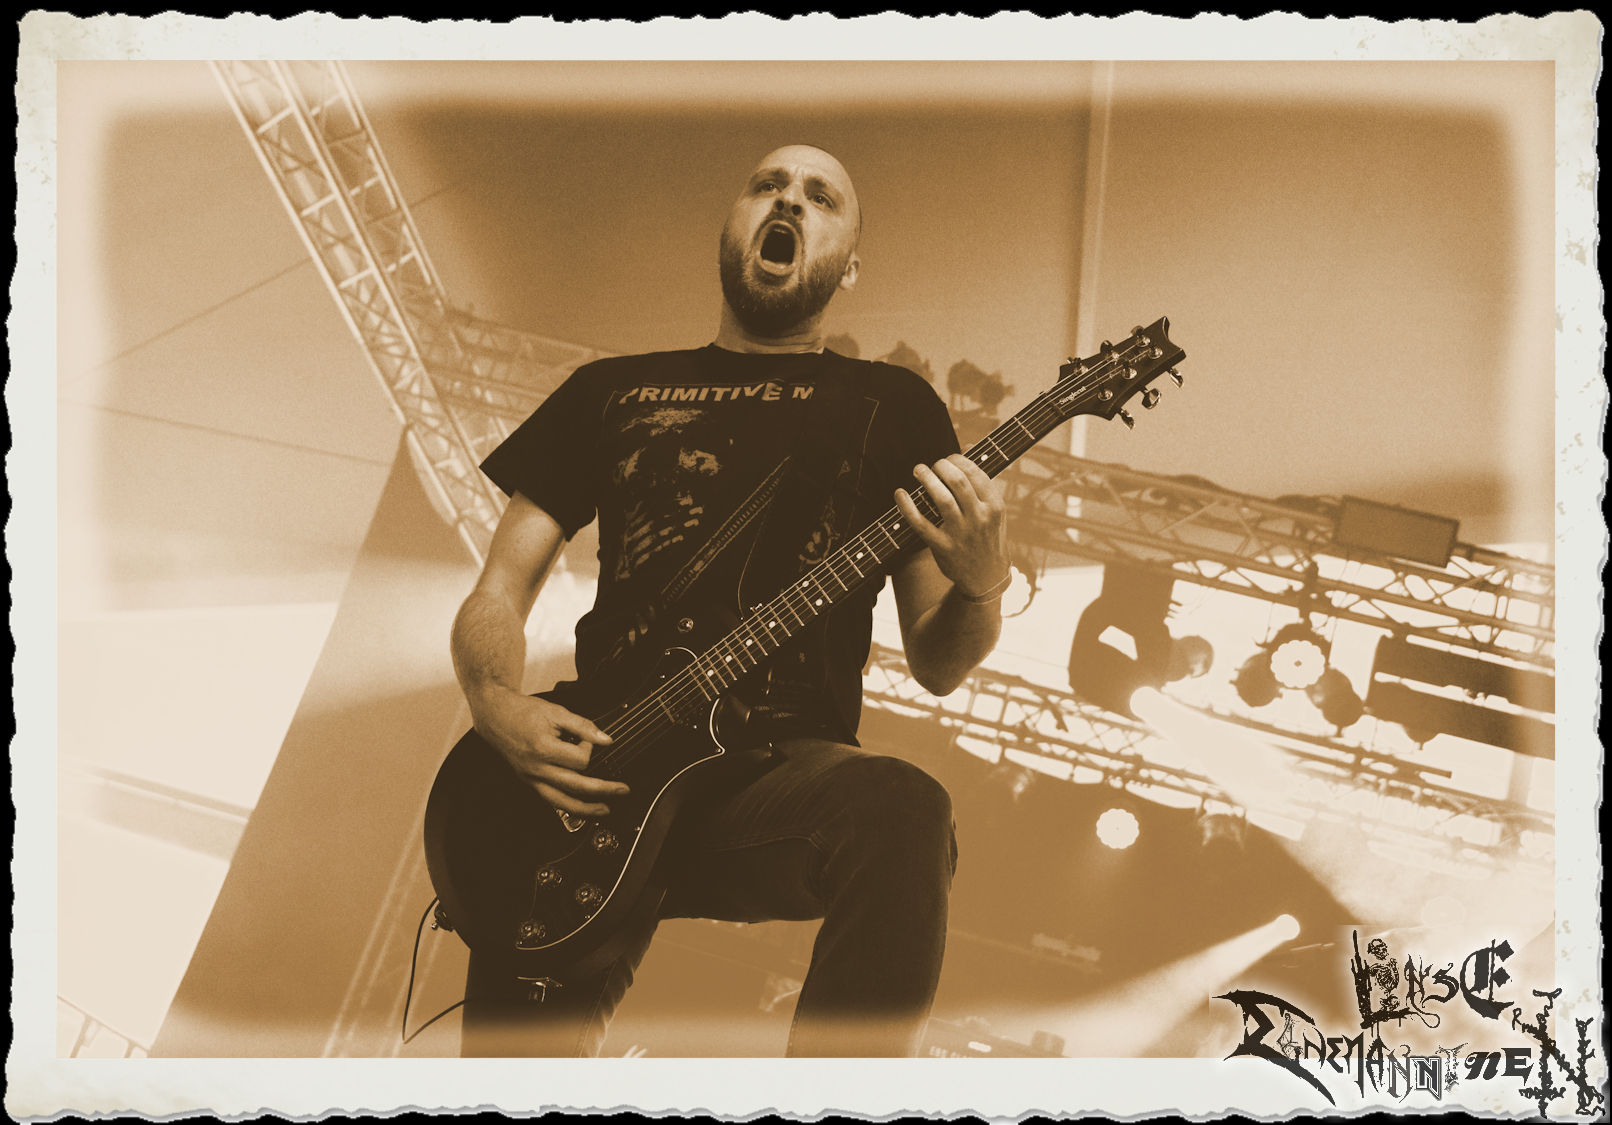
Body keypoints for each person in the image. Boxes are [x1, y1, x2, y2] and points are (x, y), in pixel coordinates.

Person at [449, 144, 1011, 1057]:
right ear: (732, 225)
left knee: (903, 808)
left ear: (849, 265)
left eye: (820, 196)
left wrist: (984, 583)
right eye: (767, 185)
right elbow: (498, 589)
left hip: (771, 778)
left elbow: (939, 660)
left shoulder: (893, 406)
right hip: (603, 770)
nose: (789, 199)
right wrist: (494, 702)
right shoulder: (609, 391)